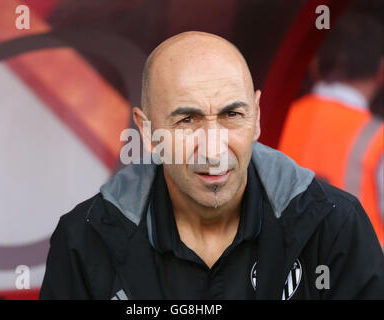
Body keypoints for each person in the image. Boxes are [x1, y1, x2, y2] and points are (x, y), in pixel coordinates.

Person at [40, 31, 384, 300]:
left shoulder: (333, 226)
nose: (213, 148)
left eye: (232, 115)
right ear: (147, 131)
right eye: (187, 120)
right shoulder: (85, 240)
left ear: (257, 117)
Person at [279, 15, 384, 247]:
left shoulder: (274, 120)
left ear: (314, 64)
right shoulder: (378, 139)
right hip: (358, 276)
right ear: (381, 70)